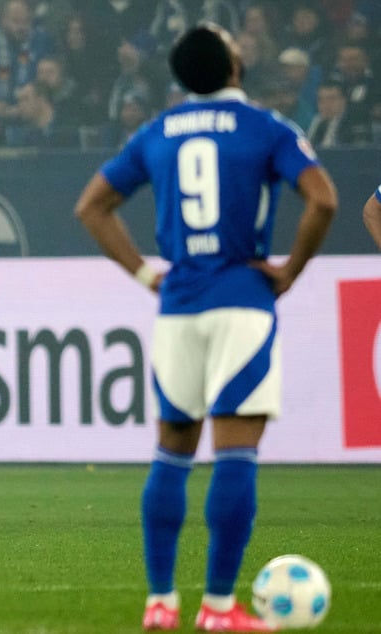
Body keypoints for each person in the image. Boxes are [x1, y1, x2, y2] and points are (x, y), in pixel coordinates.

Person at [74, 24, 337, 631]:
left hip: (179, 307)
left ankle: (160, 602)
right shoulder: (267, 128)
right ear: (235, 66)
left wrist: (145, 276)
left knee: (171, 454)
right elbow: (322, 199)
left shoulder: (157, 131)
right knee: (235, 453)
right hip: (241, 300)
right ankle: (219, 608)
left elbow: (91, 205)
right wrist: (289, 272)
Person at [0, 0, 55, 123]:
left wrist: (26, 103)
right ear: (3, 20)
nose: (22, 27)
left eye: (26, 21)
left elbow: (48, 84)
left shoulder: (42, 43)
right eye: (16, 21)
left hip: (31, 118)